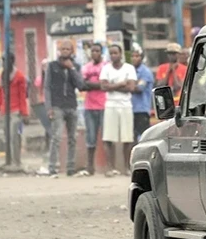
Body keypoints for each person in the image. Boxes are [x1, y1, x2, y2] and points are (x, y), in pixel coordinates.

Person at [44, 40, 86, 177]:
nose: (65, 51)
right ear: (59, 50)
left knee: (72, 138)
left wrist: (72, 69)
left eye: (68, 49)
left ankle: (70, 168)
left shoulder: (76, 66)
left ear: (72, 51)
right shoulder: (52, 66)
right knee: (56, 137)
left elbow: (80, 85)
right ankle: (52, 168)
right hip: (57, 106)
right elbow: (47, 87)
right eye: (63, 49)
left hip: (71, 105)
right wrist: (49, 106)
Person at [100, 44, 137, 176]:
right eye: (111, 53)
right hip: (111, 105)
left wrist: (112, 86)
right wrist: (121, 84)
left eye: (116, 53)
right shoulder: (106, 69)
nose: (113, 55)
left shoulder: (129, 68)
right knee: (108, 138)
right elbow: (103, 87)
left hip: (126, 105)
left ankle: (127, 167)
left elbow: (131, 88)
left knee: (127, 138)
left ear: (121, 54)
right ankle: (110, 168)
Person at [0, 53, 29, 168]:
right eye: (3, 61)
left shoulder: (19, 76)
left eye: (6, 61)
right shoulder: (1, 77)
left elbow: (22, 96)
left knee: (14, 137)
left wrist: (25, 113)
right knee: (7, 137)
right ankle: (9, 161)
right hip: (5, 111)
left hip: (16, 111)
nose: (4, 64)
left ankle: (17, 162)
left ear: (12, 62)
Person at [81, 43, 106, 175]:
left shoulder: (106, 66)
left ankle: (108, 166)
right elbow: (82, 85)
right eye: (93, 51)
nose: (95, 53)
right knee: (90, 137)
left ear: (101, 52)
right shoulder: (86, 67)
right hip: (89, 107)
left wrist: (90, 84)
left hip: (104, 105)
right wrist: (98, 84)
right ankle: (90, 166)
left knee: (106, 136)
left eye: (97, 51)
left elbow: (105, 85)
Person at [131, 47, 154, 142]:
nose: (134, 58)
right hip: (131, 108)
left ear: (142, 57)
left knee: (143, 137)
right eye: (133, 56)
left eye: (137, 56)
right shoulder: (130, 70)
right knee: (132, 137)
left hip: (142, 109)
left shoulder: (145, 72)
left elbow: (139, 88)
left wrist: (127, 84)